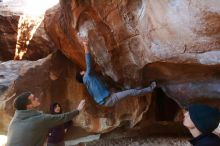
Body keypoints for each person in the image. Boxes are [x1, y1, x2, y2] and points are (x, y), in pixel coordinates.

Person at [75, 42, 156, 107]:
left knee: (123, 89)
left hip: (107, 98)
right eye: (82, 71)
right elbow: (88, 63)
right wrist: (85, 45)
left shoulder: (88, 82)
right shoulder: (87, 77)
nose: (84, 71)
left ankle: (140, 88)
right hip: (109, 99)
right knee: (130, 92)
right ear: (82, 74)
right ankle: (151, 88)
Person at [7, 92, 85, 146]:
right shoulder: (40, 119)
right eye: (34, 98)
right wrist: (78, 110)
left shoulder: (14, 120)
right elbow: (62, 118)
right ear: (29, 106)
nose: (37, 98)